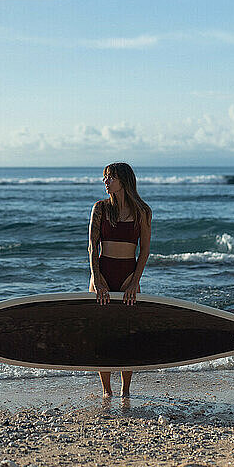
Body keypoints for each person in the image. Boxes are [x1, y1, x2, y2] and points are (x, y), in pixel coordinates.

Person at [88, 162, 152, 397]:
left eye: (110, 178)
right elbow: (92, 248)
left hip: (128, 275)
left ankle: (125, 390)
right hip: (102, 272)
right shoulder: (100, 208)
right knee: (102, 335)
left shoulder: (142, 211)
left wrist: (135, 282)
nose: (105, 182)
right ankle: (107, 390)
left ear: (123, 180)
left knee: (127, 335)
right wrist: (98, 279)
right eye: (104, 178)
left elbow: (144, 250)